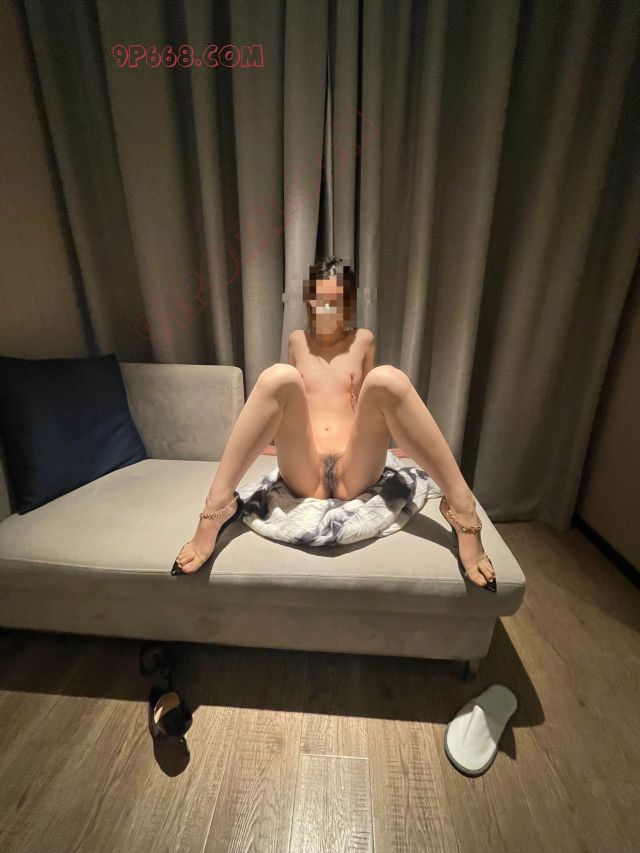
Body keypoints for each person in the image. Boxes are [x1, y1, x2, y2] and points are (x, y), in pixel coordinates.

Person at [172, 256, 496, 590]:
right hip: (306, 473)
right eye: (322, 301)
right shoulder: (297, 341)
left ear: (349, 304)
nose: (329, 310)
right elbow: (290, 408)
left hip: (354, 472)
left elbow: (372, 405)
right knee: (279, 376)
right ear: (309, 301)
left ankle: (462, 508)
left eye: (338, 302)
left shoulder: (363, 340)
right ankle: (216, 507)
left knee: (386, 378)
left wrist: (376, 424)